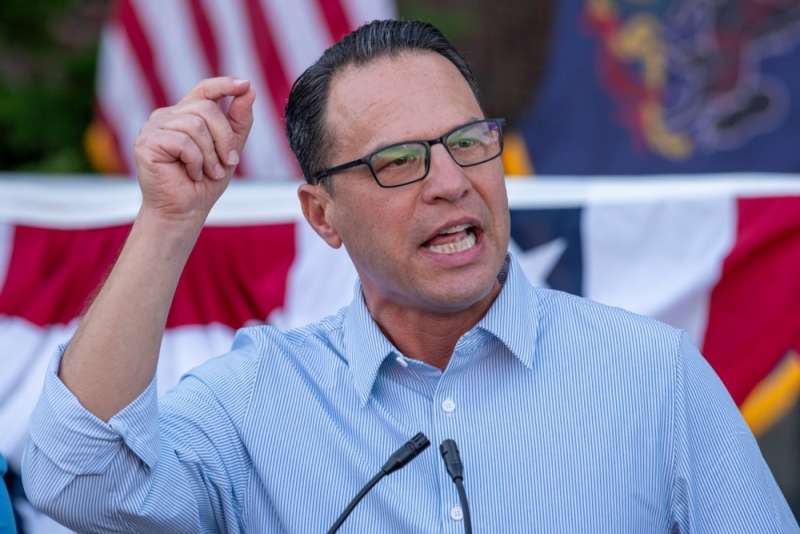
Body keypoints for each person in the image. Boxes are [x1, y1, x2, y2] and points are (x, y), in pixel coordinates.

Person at [22, 19, 798, 533]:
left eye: (469, 142)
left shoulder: (651, 375)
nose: (451, 182)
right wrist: (168, 220)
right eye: (398, 161)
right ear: (322, 215)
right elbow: (79, 480)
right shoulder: (258, 400)